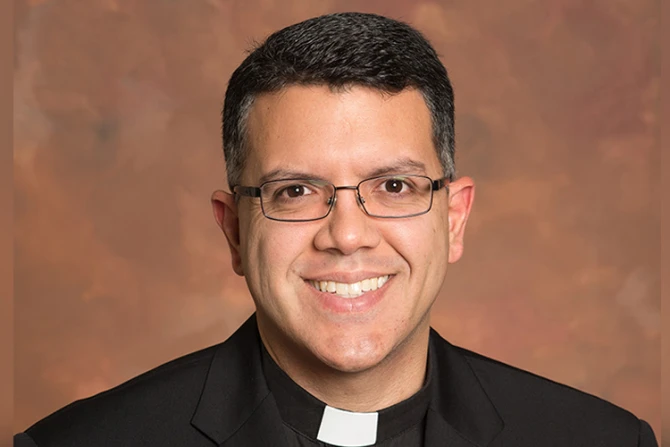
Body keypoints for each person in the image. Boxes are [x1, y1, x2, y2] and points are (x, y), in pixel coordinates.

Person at [14, 12, 657, 447]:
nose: (347, 235)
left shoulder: (599, 440)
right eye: (295, 191)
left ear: (454, 218)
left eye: (394, 186)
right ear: (233, 231)